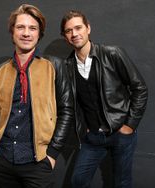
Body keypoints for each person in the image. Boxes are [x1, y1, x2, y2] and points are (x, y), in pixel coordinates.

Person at [0, 4, 74, 188]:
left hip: (38, 161)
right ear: (12, 32)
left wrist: (53, 153)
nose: (26, 33)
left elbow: (66, 110)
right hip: (2, 158)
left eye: (32, 28)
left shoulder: (55, 66)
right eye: (20, 27)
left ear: (39, 33)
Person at [60, 10, 148, 188]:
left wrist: (130, 125)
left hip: (121, 133)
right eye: (69, 31)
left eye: (78, 28)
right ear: (65, 36)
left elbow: (140, 88)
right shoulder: (67, 66)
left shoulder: (112, 53)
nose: (74, 34)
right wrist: (83, 128)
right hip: (92, 137)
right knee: (78, 181)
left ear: (88, 28)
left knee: (121, 183)